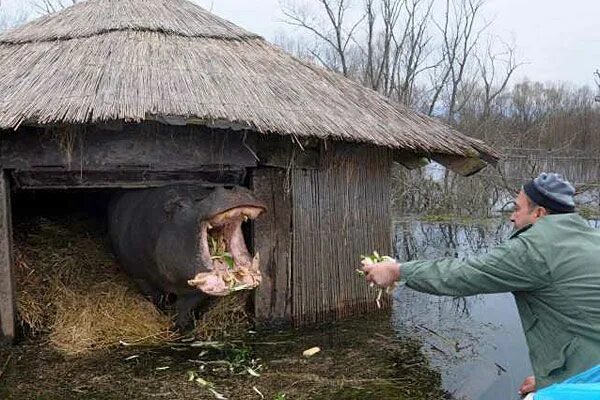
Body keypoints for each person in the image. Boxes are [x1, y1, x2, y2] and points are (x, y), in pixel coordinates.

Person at [362, 172, 600, 395]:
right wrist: (552, 380)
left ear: (539, 213)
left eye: (517, 209)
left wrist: (398, 271)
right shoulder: (591, 238)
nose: (511, 216)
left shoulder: (536, 248)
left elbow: (464, 274)